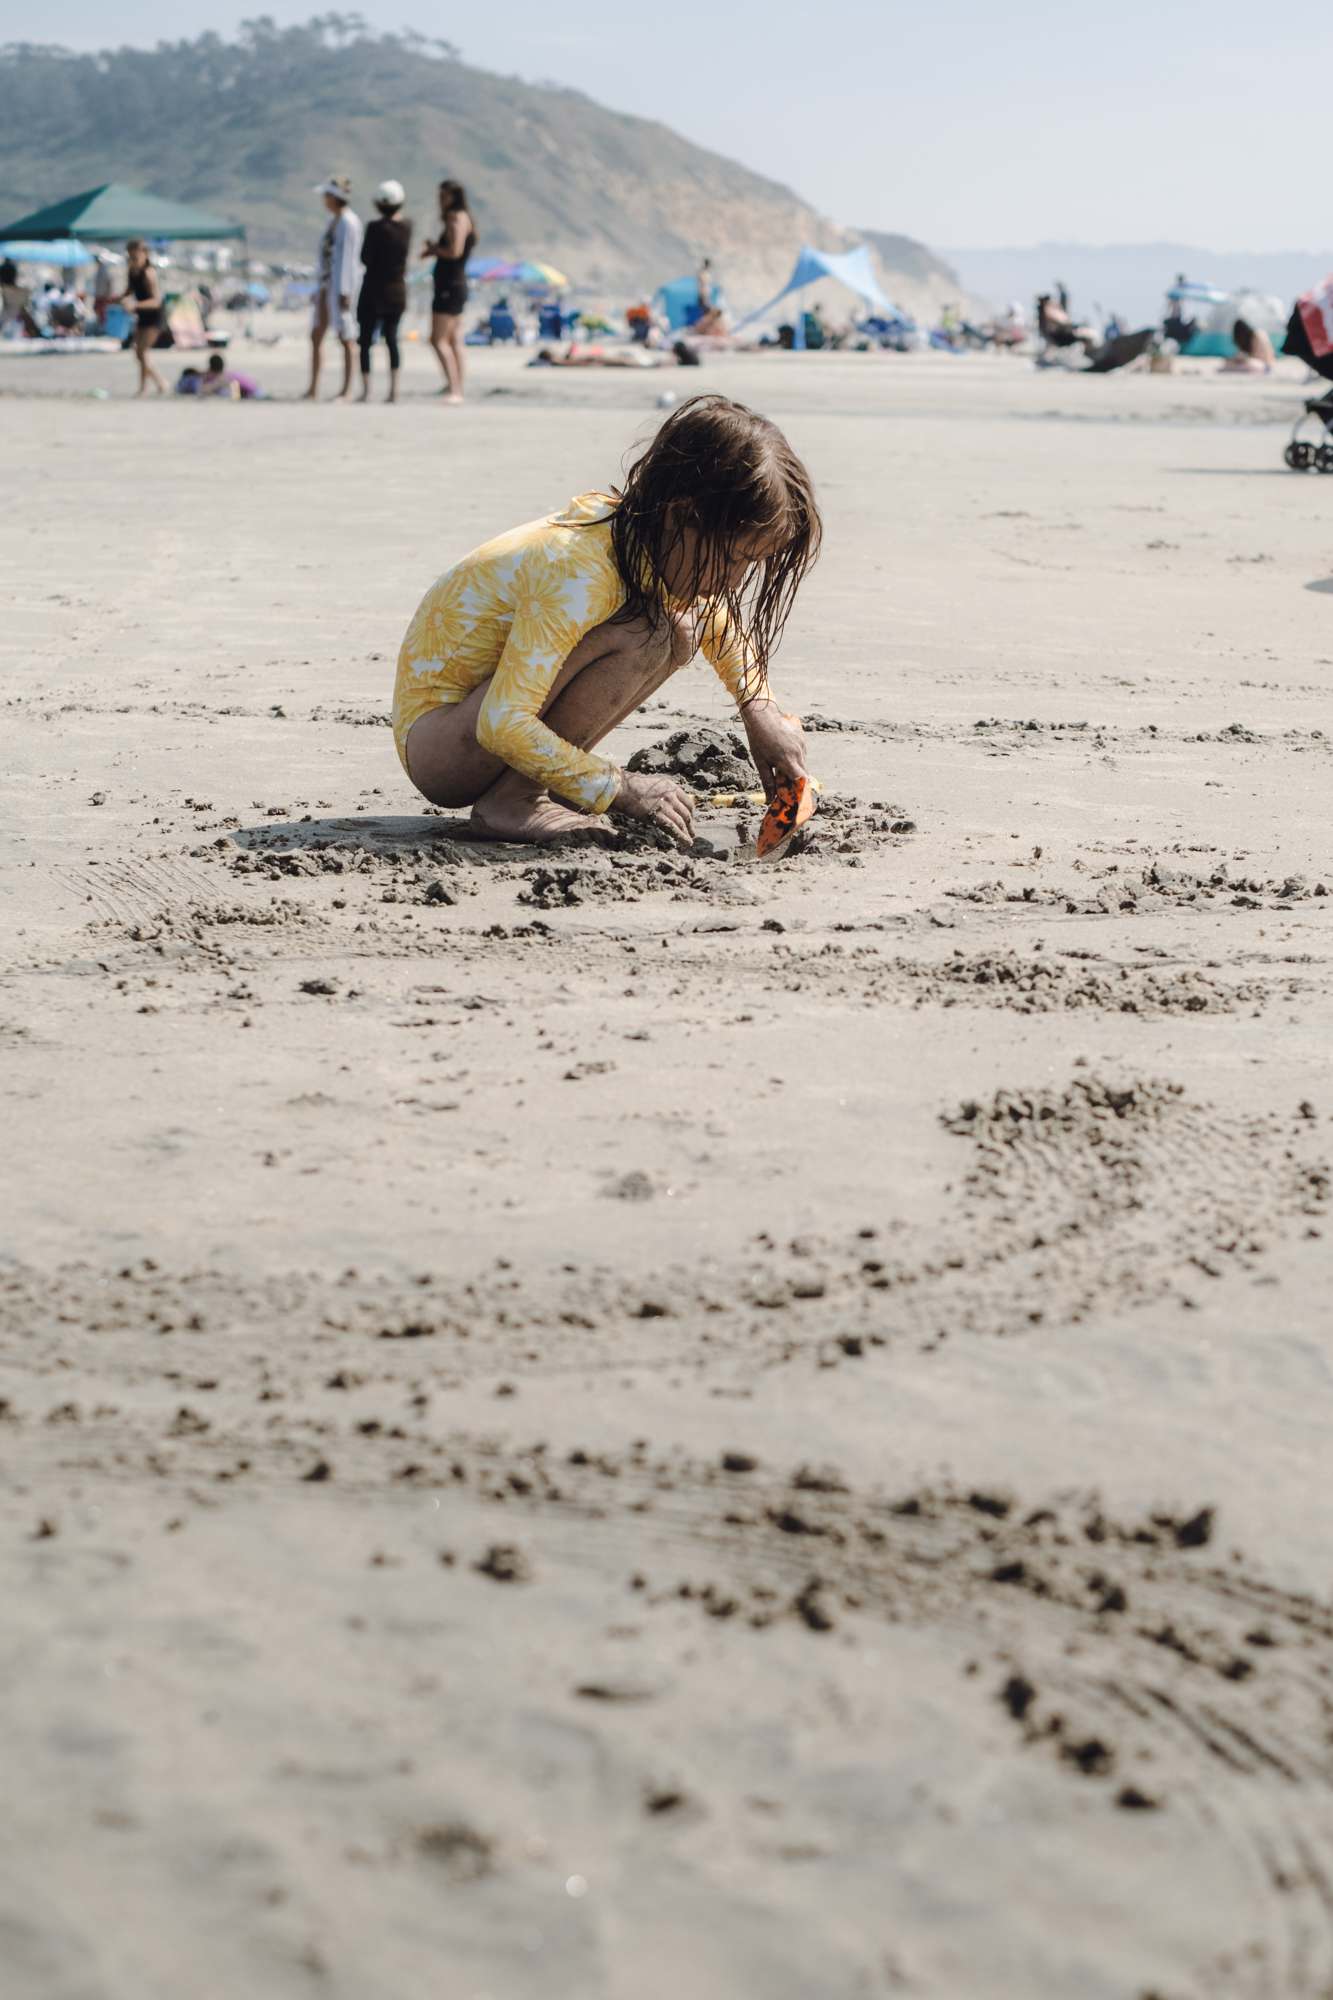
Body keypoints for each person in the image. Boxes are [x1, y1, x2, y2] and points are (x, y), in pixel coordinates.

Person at [392, 393, 820, 844]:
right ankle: (514, 799)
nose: (736, 582)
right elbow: (501, 723)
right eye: (734, 559)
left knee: (674, 627)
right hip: (442, 745)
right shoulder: (578, 571)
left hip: (475, 730)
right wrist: (618, 786)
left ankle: (529, 789)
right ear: (680, 515)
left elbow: (711, 618)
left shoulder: (639, 539)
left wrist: (759, 707)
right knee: (649, 630)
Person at [304, 175, 362, 402]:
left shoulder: (349, 223)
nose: (323, 200)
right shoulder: (333, 222)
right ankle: (313, 388)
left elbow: (348, 259)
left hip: (341, 287)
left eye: (326, 196)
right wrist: (319, 288)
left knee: (346, 336)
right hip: (327, 286)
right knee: (317, 333)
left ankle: (347, 389)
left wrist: (345, 291)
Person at [421, 179, 476, 403]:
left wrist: (434, 249)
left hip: (450, 284)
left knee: (438, 339)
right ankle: (455, 386)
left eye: (444, 196)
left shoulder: (456, 218)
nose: (440, 201)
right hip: (455, 284)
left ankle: (455, 389)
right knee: (453, 339)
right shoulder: (462, 217)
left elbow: (455, 251)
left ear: (454, 197)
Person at [358, 179, 411, 404]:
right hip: (396, 291)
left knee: (366, 341)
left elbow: (365, 258)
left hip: (372, 290)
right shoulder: (407, 227)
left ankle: (367, 391)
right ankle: (394, 391)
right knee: (392, 340)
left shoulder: (374, 228)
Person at [117, 241, 167, 396]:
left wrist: (135, 305)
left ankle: (143, 388)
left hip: (154, 315)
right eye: (130, 256)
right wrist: (120, 300)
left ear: (144, 254)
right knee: (138, 353)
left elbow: (156, 300)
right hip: (142, 314)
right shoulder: (132, 271)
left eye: (135, 256)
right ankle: (161, 383)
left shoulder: (148, 273)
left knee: (143, 352)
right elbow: (129, 291)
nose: (133, 259)